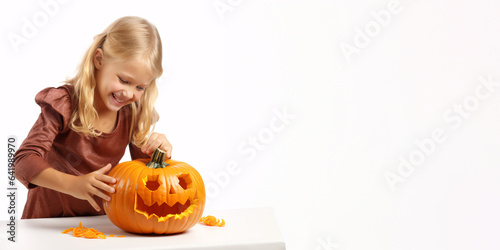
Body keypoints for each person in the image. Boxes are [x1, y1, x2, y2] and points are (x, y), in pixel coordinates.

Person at [14, 16, 172, 219]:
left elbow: (143, 176)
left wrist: (157, 153)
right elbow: (23, 162)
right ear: (99, 60)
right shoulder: (64, 104)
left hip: (100, 225)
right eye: (124, 80)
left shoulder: (132, 113)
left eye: (140, 87)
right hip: (46, 224)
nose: (129, 93)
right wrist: (73, 185)